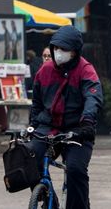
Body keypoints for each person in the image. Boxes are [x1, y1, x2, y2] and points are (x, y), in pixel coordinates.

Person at [28, 25, 103, 209]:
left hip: (77, 129)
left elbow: (93, 98)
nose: (58, 52)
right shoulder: (44, 71)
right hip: (49, 126)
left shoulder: (86, 70)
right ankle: (48, 199)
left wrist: (87, 122)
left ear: (75, 51)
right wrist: (33, 125)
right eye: (55, 48)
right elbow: (37, 103)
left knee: (76, 170)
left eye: (63, 49)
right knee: (28, 157)